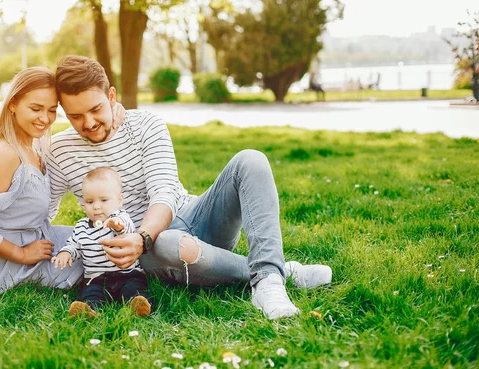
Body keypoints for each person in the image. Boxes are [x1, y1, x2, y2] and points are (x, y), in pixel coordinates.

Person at [46, 55, 332, 320]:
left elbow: (165, 192)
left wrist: (142, 237)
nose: (89, 122)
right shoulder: (60, 149)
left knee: (251, 161)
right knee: (171, 243)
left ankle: (269, 282)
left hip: (190, 219)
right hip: (151, 253)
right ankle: (276, 270)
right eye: (75, 116)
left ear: (111, 96)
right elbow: (43, 209)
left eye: (96, 109)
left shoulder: (146, 123)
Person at [0, 66, 124, 293]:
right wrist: (21, 254)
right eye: (35, 108)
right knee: (95, 255)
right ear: (13, 104)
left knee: (97, 237)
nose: (45, 119)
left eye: (52, 110)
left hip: (36, 238)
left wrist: (114, 109)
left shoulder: (36, 145)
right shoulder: (4, 154)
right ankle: (133, 284)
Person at [51, 167, 152, 317]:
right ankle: (90, 310)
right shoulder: (82, 226)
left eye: (104, 200)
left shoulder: (121, 218)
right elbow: (74, 245)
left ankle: (137, 305)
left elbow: (126, 229)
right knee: (92, 293)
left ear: (119, 200)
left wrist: (116, 224)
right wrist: (66, 252)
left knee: (134, 288)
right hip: (96, 278)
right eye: (89, 201)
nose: (96, 206)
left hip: (127, 274)